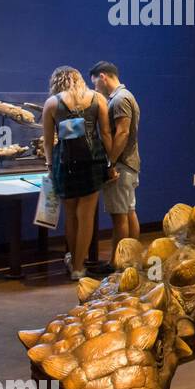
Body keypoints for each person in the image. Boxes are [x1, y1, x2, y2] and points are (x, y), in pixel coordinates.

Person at [42, 67, 113, 280]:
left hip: (65, 164)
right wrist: (112, 163)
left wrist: (49, 166)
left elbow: (47, 142)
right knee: (86, 217)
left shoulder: (52, 103)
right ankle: (79, 268)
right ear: (79, 79)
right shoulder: (98, 99)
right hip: (93, 163)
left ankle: (73, 260)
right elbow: (106, 134)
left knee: (70, 216)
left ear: (57, 82)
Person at [90, 61, 141, 262]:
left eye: (95, 83)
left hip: (121, 165)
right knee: (129, 213)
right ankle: (130, 261)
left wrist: (110, 162)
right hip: (129, 164)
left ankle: (116, 264)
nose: (96, 88)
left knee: (119, 217)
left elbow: (123, 132)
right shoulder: (124, 97)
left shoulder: (120, 99)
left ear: (103, 77)